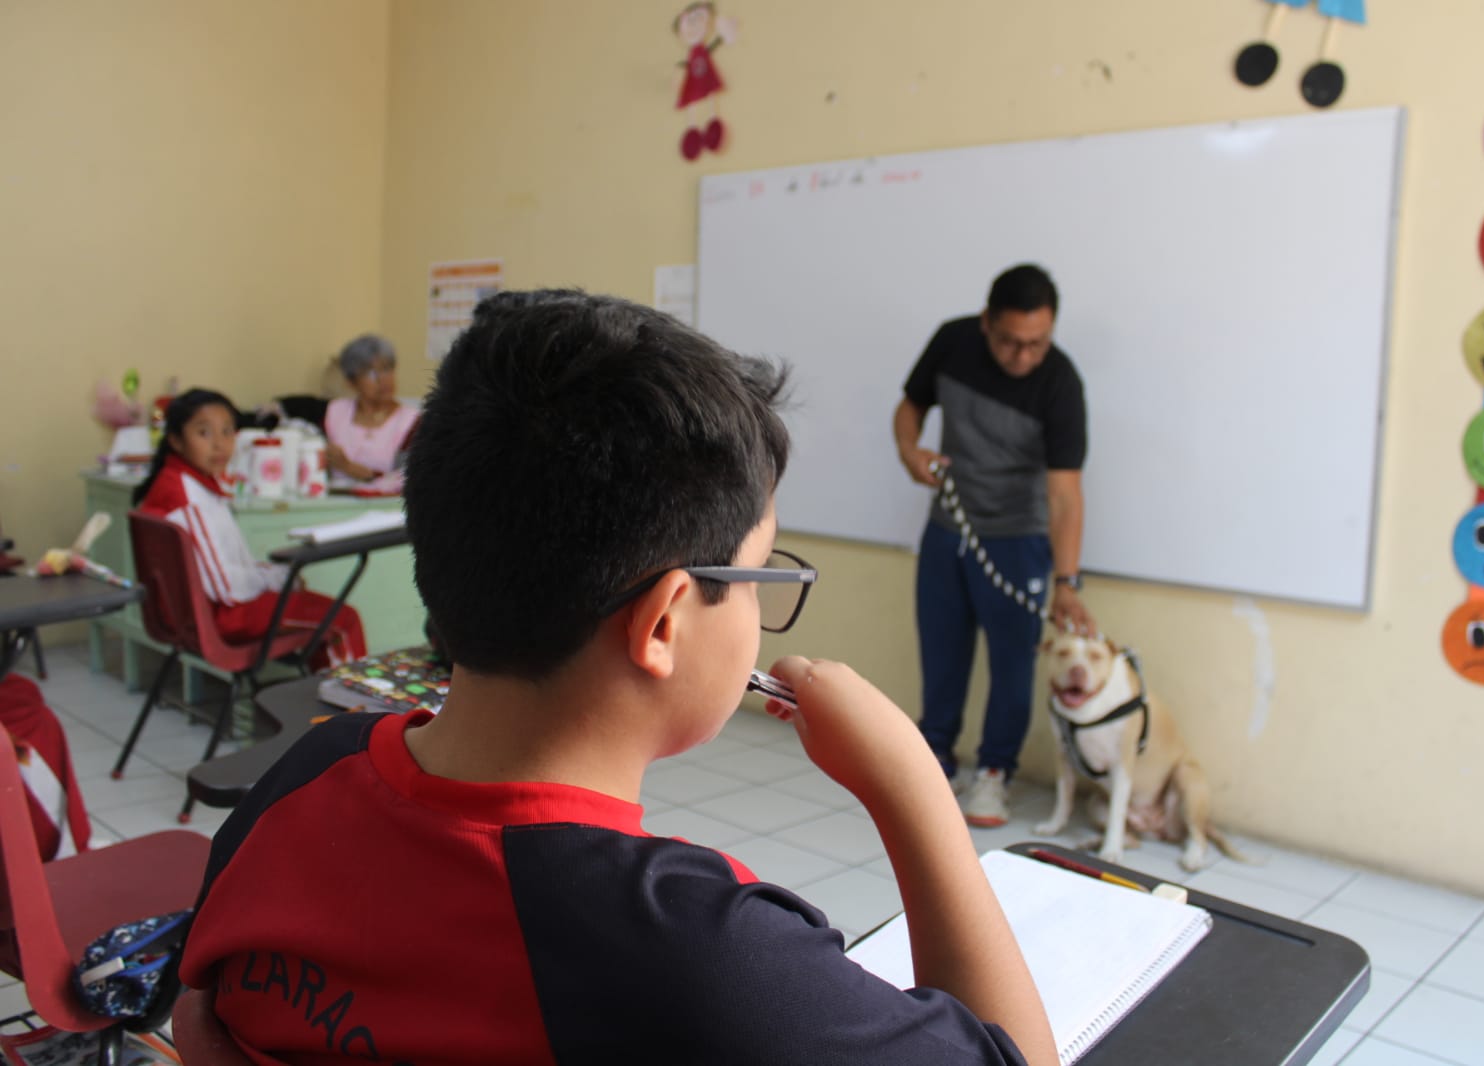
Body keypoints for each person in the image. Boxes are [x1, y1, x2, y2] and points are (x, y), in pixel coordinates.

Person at [176, 291, 1054, 1065]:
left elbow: (197, 1003)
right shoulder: (704, 958)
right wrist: (913, 787)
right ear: (665, 622)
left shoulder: (300, 773)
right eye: (760, 575)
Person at [893, 264, 1094, 829]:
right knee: (942, 651)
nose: (1023, 356)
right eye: (1010, 341)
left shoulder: (1059, 382)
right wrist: (910, 450)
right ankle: (934, 759)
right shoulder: (953, 341)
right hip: (948, 529)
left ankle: (994, 774)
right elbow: (909, 408)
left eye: (1037, 343)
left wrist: (1066, 582)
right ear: (986, 323)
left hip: (1018, 541)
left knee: (1012, 666)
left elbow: (1065, 496)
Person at [133, 389, 366, 668]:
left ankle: (319, 703)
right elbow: (227, 588)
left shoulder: (179, 482)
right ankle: (358, 711)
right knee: (343, 621)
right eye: (204, 433)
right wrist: (279, 579)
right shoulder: (186, 497)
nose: (219, 445)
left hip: (194, 617)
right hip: (222, 618)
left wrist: (276, 578)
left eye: (228, 432)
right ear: (176, 440)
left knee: (317, 611)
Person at [323, 333, 420, 484]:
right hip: (334, 504)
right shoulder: (336, 411)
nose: (384, 380)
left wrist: (349, 468)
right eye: (372, 373)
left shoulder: (412, 421)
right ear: (351, 382)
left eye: (388, 369)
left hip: (386, 506)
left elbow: (406, 482)